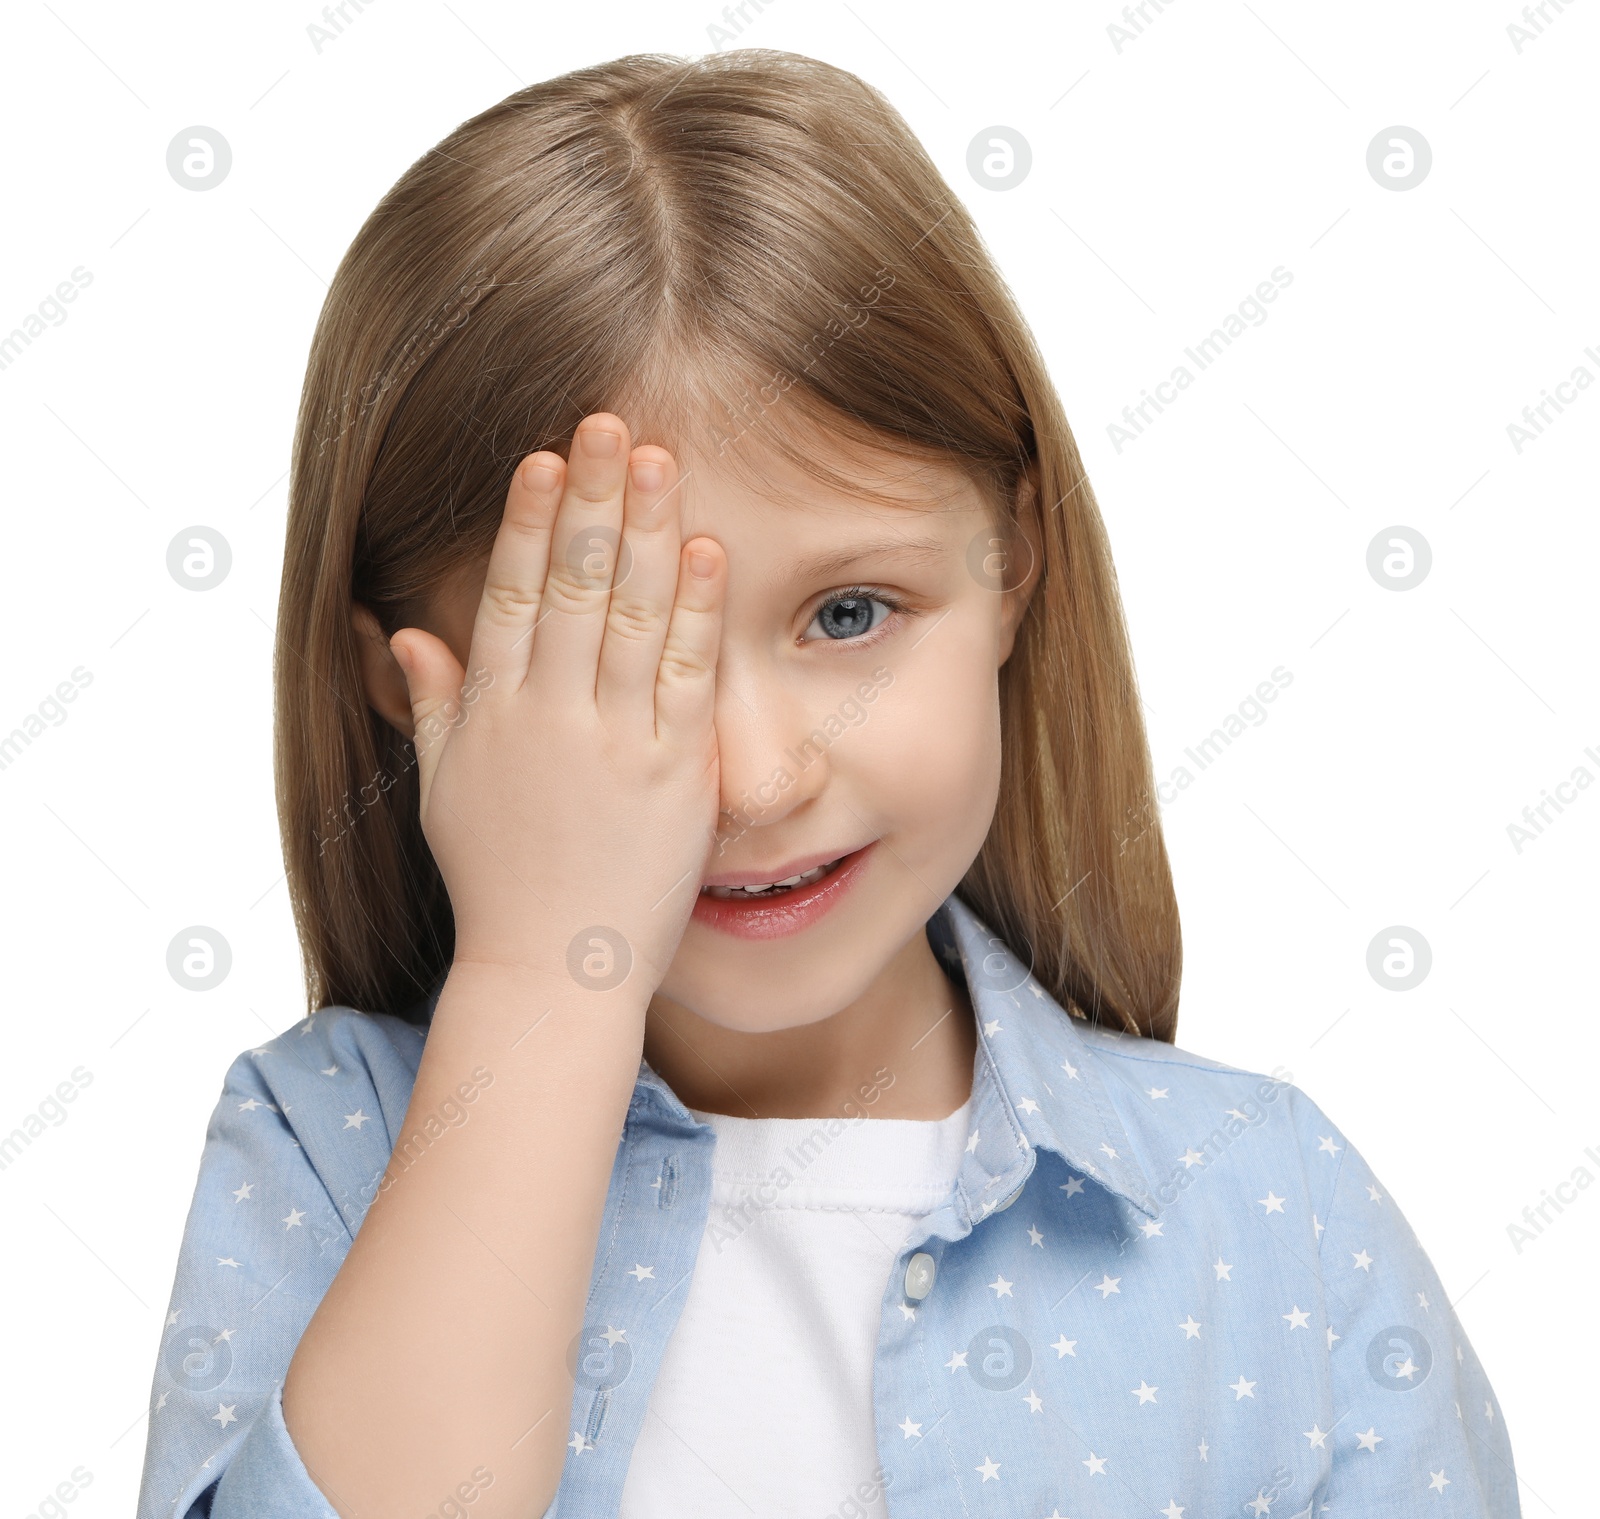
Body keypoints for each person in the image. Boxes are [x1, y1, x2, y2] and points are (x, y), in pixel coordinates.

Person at [134, 48, 1522, 1519]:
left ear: (1015, 564)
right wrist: (550, 974)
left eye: (849, 615)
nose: (752, 773)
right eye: (618, 647)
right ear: (399, 678)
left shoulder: (1263, 1206)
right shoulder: (321, 1147)